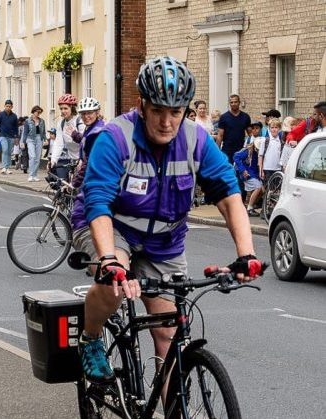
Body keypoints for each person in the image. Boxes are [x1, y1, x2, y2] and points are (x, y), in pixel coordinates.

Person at [78, 56, 261, 383]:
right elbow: (98, 200)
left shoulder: (196, 140)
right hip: (111, 226)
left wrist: (246, 255)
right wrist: (109, 259)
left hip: (164, 241)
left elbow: (229, 195)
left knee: (169, 336)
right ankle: (90, 338)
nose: (166, 122)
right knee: (114, 281)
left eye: (175, 112)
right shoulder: (114, 138)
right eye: (158, 111)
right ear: (142, 105)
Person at [70, 97, 106, 256]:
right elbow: (85, 141)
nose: (86, 116)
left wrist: (75, 182)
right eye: (83, 114)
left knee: (81, 217)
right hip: (93, 179)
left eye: (90, 113)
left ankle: (95, 258)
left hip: (97, 180)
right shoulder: (92, 129)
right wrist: (75, 136)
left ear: (97, 113)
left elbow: (89, 161)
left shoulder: (97, 132)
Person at [49, 94, 84, 179]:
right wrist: (53, 160)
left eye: (65, 108)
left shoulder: (80, 121)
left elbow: (85, 141)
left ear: (72, 108)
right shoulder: (61, 123)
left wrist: (82, 160)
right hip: (71, 159)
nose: (63, 111)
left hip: (83, 159)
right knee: (67, 185)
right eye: (61, 109)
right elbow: (59, 143)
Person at [216, 94, 251, 161]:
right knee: (228, 170)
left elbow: (250, 134)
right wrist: (217, 151)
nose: (233, 104)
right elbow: (220, 135)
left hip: (241, 149)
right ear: (229, 104)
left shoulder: (245, 117)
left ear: (239, 102)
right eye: (231, 102)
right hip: (227, 149)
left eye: (235, 102)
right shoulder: (224, 117)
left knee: (240, 170)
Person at [233, 138, 262, 217]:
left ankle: (249, 205)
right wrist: (243, 170)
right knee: (258, 187)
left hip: (253, 173)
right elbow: (236, 157)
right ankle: (249, 208)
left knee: (261, 189)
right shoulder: (247, 150)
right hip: (246, 173)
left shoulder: (258, 151)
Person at [0, 99, 19, 174]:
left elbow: (16, 128)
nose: (8, 107)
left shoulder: (14, 116)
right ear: (4, 106)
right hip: (3, 135)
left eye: (9, 106)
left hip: (11, 136)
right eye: (7, 106)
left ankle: (7, 167)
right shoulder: (0, 115)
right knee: (5, 150)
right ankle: (4, 167)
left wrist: (16, 138)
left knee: (9, 152)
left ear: (12, 107)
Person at [21, 105, 47, 182]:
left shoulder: (42, 121)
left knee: (37, 158)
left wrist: (45, 139)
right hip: (30, 139)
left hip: (39, 138)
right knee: (32, 156)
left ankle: (35, 175)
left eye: (40, 112)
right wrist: (23, 141)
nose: (38, 114)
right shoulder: (27, 121)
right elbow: (25, 132)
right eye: (37, 112)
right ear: (33, 111)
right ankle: (31, 175)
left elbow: (43, 132)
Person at [259, 118, 284, 185]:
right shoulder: (264, 140)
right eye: (272, 127)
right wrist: (261, 170)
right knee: (268, 190)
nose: (274, 129)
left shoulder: (281, 142)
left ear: (279, 129)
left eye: (276, 127)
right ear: (269, 128)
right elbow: (260, 156)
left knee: (276, 190)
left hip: (278, 169)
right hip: (267, 169)